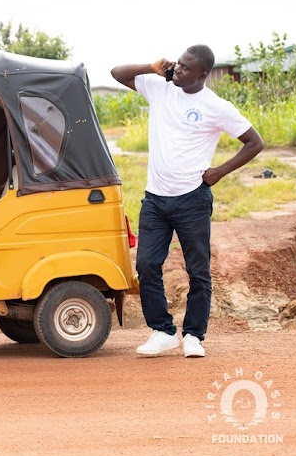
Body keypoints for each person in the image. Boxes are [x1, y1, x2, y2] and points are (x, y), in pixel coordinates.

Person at [112, 45, 264, 359]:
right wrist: (151, 67)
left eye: (185, 67)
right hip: (155, 199)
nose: (178, 70)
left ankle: (194, 335)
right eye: (178, 64)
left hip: (192, 199)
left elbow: (254, 142)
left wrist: (219, 172)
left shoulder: (216, 106)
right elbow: (117, 73)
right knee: (146, 265)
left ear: (202, 74)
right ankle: (163, 332)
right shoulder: (160, 88)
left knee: (198, 270)